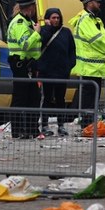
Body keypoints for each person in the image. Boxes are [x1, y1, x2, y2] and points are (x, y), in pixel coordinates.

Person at [70, 0, 105, 128]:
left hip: (94, 67)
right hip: (90, 67)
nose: (99, 4)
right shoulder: (86, 20)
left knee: (93, 99)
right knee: (89, 99)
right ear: (89, 3)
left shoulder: (94, 19)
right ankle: (87, 125)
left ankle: (90, 124)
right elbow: (96, 40)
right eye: (97, 2)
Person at [37, 8, 76, 136]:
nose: (56, 20)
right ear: (48, 19)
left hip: (61, 72)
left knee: (60, 99)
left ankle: (61, 125)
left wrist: (69, 65)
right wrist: (48, 28)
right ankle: (44, 125)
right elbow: (41, 42)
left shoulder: (66, 32)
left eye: (58, 17)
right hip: (47, 72)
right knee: (46, 99)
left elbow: (72, 50)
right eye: (53, 18)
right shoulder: (42, 30)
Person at [6, 0, 41, 138]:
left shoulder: (27, 21)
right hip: (21, 65)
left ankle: (31, 130)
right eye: (34, 6)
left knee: (33, 98)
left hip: (28, 65)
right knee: (21, 99)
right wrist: (37, 33)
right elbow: (25, 45)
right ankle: (18, 131)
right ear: (30, 7)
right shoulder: (20, 23)